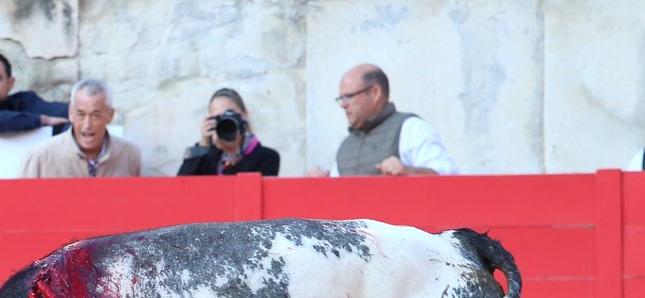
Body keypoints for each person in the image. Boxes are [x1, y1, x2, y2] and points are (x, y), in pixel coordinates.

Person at [309, 64, 458, 177]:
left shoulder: (411, 128)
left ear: (375, 92)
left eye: (349, 96)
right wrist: (324, 181)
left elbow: (449, 176)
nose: (343, 105)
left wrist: (408, 172)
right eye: (341, 99)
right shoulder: (346, 145)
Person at [19, 79, 142, 178]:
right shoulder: (41, 157)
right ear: (71, 114)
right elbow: (19, 205)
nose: (87, 125)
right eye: (81, 115)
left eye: (95, 115)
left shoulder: (129, 155)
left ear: (110, 115)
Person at [177, 88, 280, 177]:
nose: (226, 122)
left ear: (245, 115)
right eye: (219, 118)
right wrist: (202, 145)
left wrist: (232, 153)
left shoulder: (268, 157)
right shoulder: (207, 157)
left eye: (230, 116)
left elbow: (246, 194)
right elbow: (180, 189)